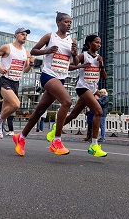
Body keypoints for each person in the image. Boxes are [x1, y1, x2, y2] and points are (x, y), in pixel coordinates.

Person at [12, 12, 79, 156]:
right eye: (66, 21)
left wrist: (74, 53)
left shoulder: (72, 41)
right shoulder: (50, 37)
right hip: (48, 75)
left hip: (61, 78)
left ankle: (21, 137)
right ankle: (57, 141)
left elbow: (75, 63)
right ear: (58, 23)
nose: (69, 24)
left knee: (39, 111)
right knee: (67, 101)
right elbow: (34, 51)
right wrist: (47, 51)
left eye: (70, 22)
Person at [44, 34, 108, 157]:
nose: (99, 45)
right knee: (98, 112)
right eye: (96, 42)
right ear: (89, 43)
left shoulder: (100, 58)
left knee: (73, 115)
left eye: (100, 43)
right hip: (82, 88)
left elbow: (104, 77)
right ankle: (94, 145)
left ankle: (56, 127)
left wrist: (102, 66)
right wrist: (81, 66)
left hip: (92, 89)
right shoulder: (84, 55)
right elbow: (69, 66)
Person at [0, 27, 34, 149]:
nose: (25, 37)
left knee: (4, 112)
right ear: (16, 35)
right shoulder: (7, 47)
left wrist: (31, 64)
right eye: (22, 34)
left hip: (16, 83)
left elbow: (26, 70)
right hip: (5, 81)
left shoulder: (26, 52)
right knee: (16, 105)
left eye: (26, 35)